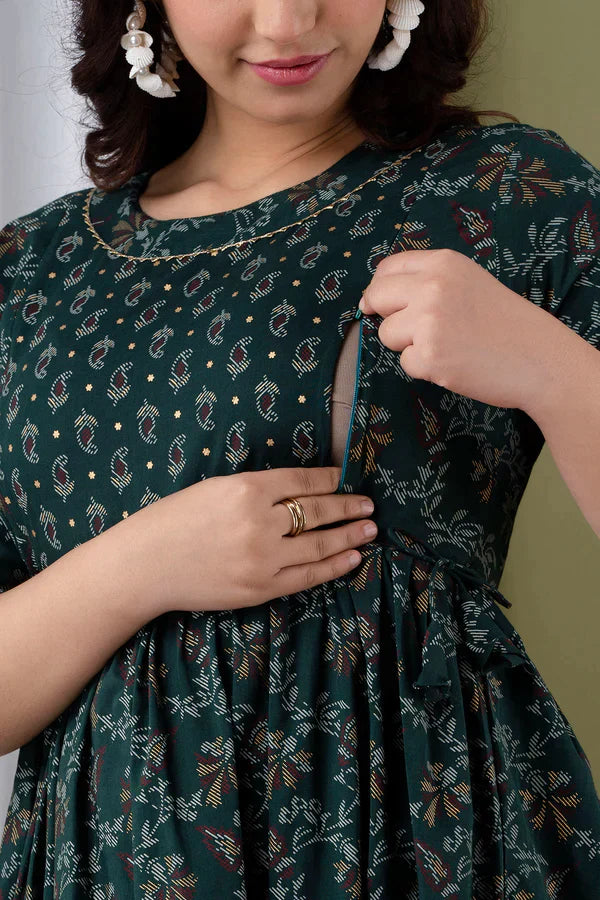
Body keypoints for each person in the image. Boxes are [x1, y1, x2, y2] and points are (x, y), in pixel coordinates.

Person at [1, 0, 599, 895]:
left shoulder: (512, 189)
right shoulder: (30, 272)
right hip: (109, 865)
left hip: (424, 840)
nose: (288, 22)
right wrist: (142, 566)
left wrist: (554, 369)